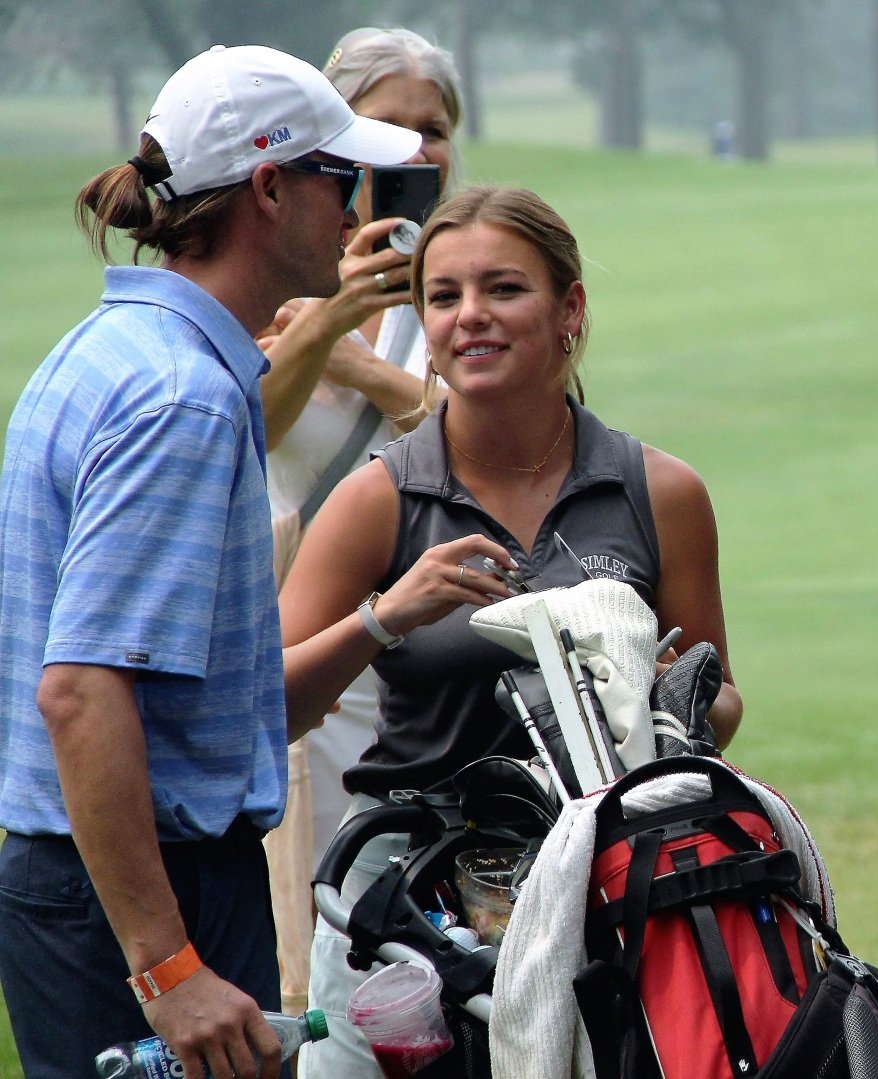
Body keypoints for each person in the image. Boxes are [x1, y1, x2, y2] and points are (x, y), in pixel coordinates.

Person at [0, 44, 420, 1079]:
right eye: (336, 175)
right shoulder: (182, 399)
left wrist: (378, 620)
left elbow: (195, 701)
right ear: (271, 189)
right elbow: (82, 693)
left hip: (94, 884)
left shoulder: (108, 350)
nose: (355, 201)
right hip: (147, 898)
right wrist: (169, 964)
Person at [280, 185, 744, 1076]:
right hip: (409, 907)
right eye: (445, 296)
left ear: (570, 308)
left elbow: (720, 701)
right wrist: (386, 614)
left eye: (504, 289)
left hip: (604, 894)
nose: (470, 318)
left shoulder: (661, 492)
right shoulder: (380, 499)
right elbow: (270, 706)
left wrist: (665, 698)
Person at [254, 25, 463, 1017]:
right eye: (393, 128)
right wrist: (326, 322)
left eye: (436, 130)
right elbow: (249, 429)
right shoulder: (278, 276)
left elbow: (478, 444)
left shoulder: (460, 283)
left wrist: (362, 360)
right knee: (303, 933)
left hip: (421, 641)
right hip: (294, 651)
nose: (420, 152)